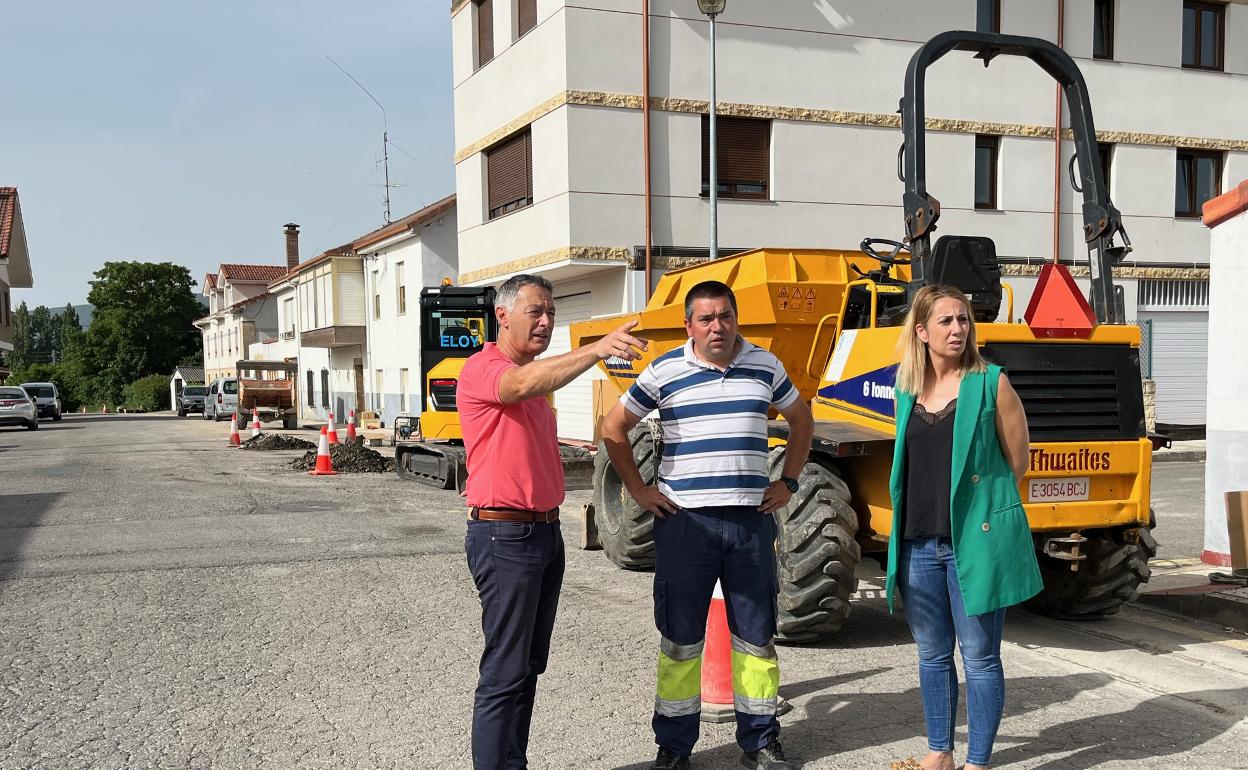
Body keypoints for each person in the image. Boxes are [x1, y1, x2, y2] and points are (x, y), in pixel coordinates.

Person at [601, 280, 814, 770]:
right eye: (706, 318)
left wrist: (790, 483)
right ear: (689, 325)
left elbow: (802, 422)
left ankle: (760, 742)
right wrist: (638, 490)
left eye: (725, 316)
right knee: (680, 640)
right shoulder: (664, 370)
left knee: (756, 638)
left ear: (737, 318)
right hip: (685, 526)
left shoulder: (766, 365)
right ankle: (674, 749)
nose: (717, 327)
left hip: (750, 524)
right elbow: (613, 430)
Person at [457, 273, 647, 770]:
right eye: (535, 312)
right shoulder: (485, 368)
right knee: (505, 670)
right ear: (502, 315)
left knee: (526, 666)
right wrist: (597, 350)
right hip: (505, 535)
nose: (545, 321)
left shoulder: (539, 380)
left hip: (542, 533)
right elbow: (517, 385)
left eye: (551, 313)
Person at [884, 285, 1041, 770]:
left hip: (972, 544)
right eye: (946, 321)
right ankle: (940, 752)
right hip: (915, 544)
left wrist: (982, 515)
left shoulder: (993, 383)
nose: (957, 329)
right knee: (932, 655)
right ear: (922, 331)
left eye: (963, 320)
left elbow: (1017, 461)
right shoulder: (905, 389)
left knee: (979, 656)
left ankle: (976, 761)